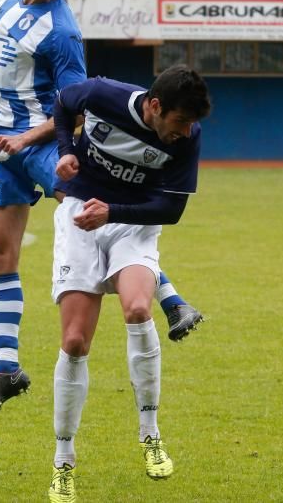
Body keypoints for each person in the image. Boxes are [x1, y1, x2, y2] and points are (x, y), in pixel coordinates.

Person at [0, 0, 202, 421]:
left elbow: (72, 107)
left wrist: (24, 138)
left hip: (34, 142)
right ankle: (6, 370)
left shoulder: (63, 35)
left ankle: (171, 300)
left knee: (87, 212)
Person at [47, 66, 211, 501]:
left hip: (131, 222)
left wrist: (113, 212)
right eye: (179, 121)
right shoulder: (103, 95)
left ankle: (150, 434)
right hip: (80, 214)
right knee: (76, 341)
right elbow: (63, 104)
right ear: (155, 106)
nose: (185, 131)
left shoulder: (188, 137)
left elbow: (170, 210)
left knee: (139, 308)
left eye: (191, 124)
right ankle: (64, 461)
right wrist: (65, 150)